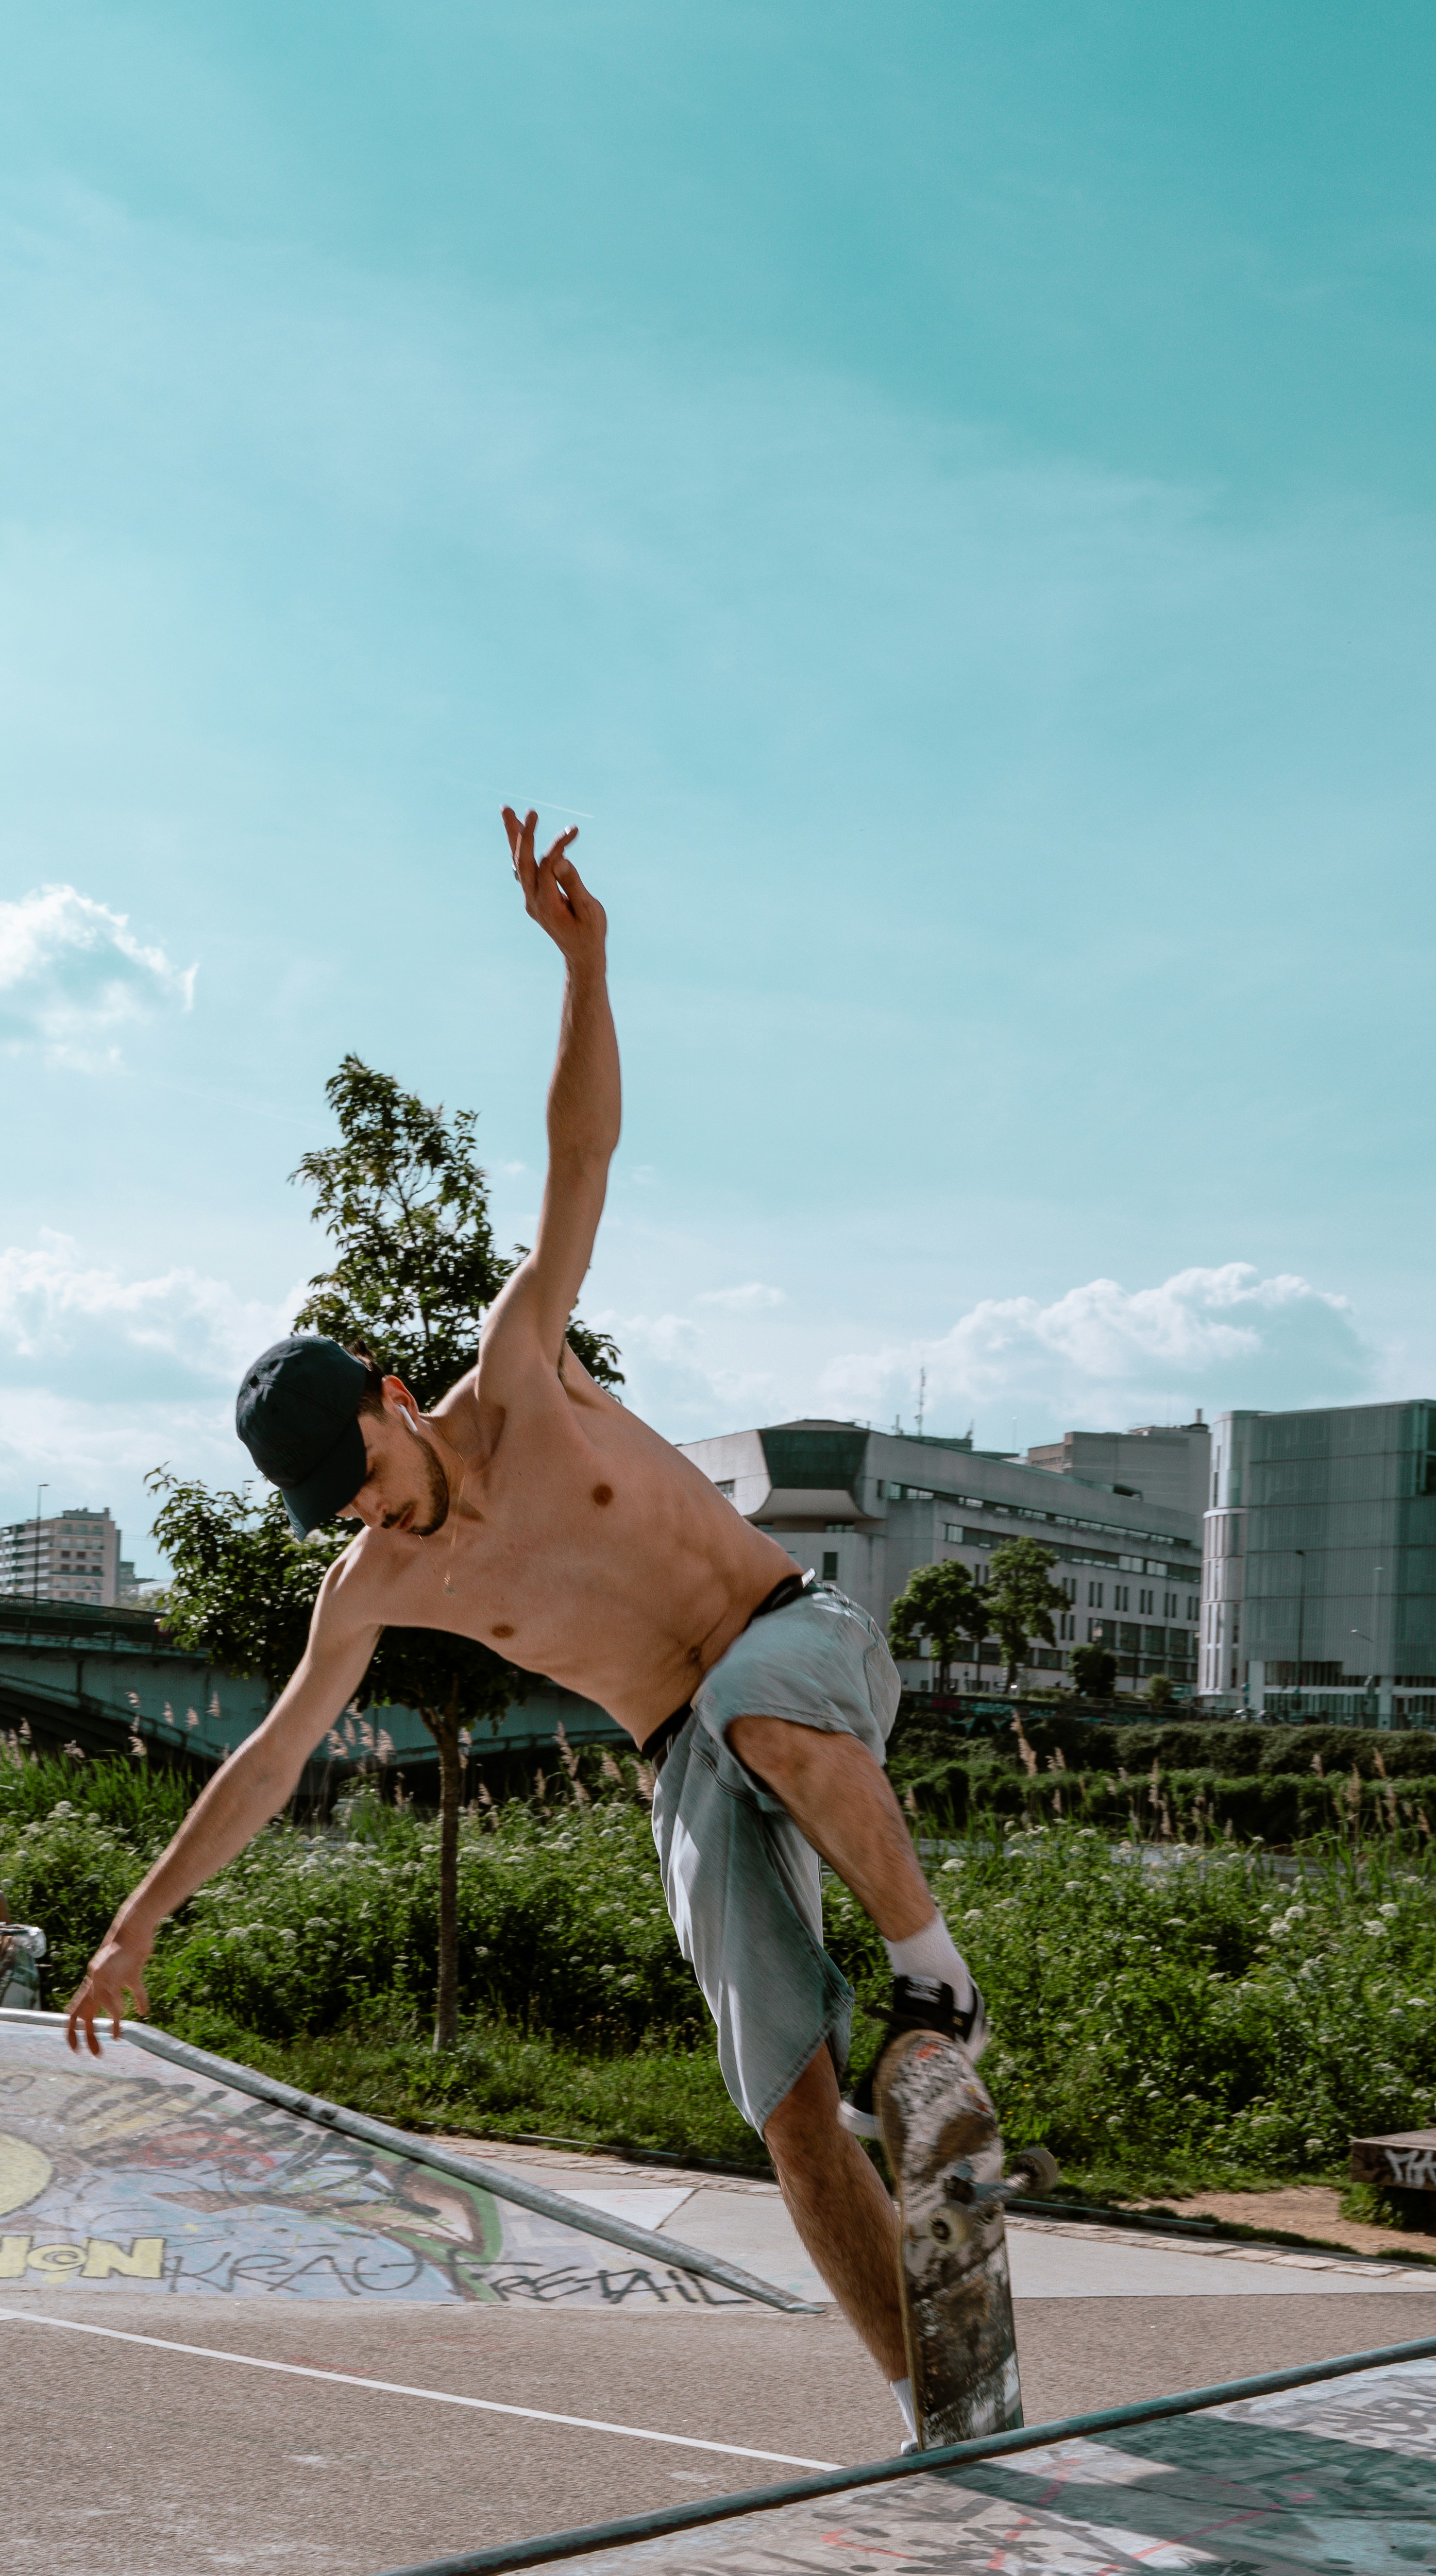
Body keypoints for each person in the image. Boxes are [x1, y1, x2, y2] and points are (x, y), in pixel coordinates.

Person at [65, 812, 984, 2443]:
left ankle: (937, 1987)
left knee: (759, 1704)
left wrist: (586, 965)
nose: (368, 1514)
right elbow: (271, 1756)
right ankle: (942, 2405)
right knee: (783, 2105)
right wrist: (139, 1923)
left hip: (799, 1641)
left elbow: (580, 1160)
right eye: (336, 1511)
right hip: (681, 1752)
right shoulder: (371, 1583)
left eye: (364, 1473)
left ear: (395, 1397)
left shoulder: (524, 1369)